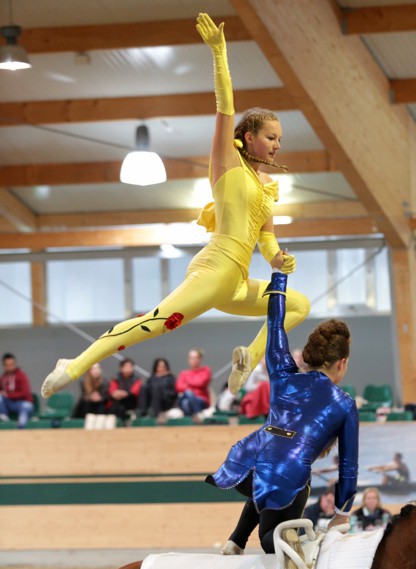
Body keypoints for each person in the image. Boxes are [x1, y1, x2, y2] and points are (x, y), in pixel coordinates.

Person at [40, 13, 310, 400]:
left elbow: (266, 238)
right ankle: (76, 363)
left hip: (236, 280)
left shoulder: (268, 186)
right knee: (158, 322)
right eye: (271, 137)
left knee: (297, 304)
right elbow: (225, 103)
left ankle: (248, 360)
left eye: (280, 139)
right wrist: (219, 52)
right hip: (215, 266)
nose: (278, 145)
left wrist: (278, 258)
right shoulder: (226, 163)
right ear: (248, 138)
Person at [206, 270, 358, 569]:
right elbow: (348, 467)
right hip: (288, 472)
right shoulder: (344, 403)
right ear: (341, 363)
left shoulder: (283, 373)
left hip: (245, 460)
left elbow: (275, 324)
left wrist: (279, 276)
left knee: (266, 484)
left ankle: (235, 540)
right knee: (271, 538)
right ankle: (291, 543)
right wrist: (341, 514)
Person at [0, 353, 34, 429]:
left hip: (23, 403)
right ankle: (4, 419)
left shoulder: (21, 376)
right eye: (7, 365)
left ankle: (21, 428)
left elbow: (25, 393)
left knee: (26, 407)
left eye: (12, 364)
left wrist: (8, 395)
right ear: (4, 366)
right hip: (9, 404)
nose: (10, 367)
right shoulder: (2, 378)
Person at [175, 349, 211, 417]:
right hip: (185, 397)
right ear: (188, 359)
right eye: (191, 358)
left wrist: (187, 383)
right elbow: (178, 387)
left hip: (201, 400)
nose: (193, 360)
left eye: (196, 358)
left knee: (186, 402)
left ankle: (192, 420)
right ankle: (198, 415)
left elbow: (201, 382)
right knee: (187, 394)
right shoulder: (184, 373)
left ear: (200, 359)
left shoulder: (205, 370)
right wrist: (193, 385)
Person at [107, 358, 142, 424]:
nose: (128, 369)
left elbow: (134, 392)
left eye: (130, 367)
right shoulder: (115, 378)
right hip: (117, 402)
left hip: (131, 402)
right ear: (121, 368)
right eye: (126, 366)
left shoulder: (137, 379)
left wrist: (124, 394)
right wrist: (117, 394)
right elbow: (112, 391)